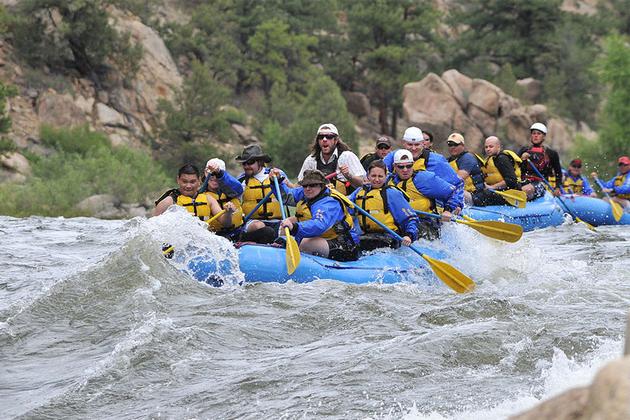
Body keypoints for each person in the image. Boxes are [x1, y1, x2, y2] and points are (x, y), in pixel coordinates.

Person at [271, 169, 360, 261]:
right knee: (287, 223)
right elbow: (286, 197)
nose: (308, 188)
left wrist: (294, 227)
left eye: (313, 185)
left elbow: (319, 225)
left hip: (346, 246)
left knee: (306, 243)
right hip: (323, 239)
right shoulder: (306, 192)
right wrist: (276, 182)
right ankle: (284, 248)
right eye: (305, 185)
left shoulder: (329, 203)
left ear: (321, 186)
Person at [383, 126, 464, 211]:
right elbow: (378, 173)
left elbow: (457, 184)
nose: (413, 148)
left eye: (417, 144)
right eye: (410, 144)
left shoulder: (437, 161)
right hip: (403, 204)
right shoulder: (394, 156)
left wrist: (454, 205)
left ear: (423, 143)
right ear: (403, 143)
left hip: (431, 207)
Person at [348, 160, 419, 251]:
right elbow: (344, 205)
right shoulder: (359, 192)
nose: (376, 179)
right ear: (368, 176)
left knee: (367, 245)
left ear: (386, 177)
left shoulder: (392, 193)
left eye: (380, 176)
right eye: (373, 176)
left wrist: (409, 235)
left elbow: (410, 218)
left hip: (390, 237)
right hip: (367, 235)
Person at [390, 150, 458, 239]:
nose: (405, 170)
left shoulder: (424, 179)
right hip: (402, 223)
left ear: (413, 164)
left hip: (426, 223)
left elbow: (453, 192)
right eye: (401, 167)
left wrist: (448, 210)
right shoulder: (388, 181)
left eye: (409, 166)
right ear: (394, 166)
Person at [236, 144, 288, 243]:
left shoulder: (277, 175)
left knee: (287, 229)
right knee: (261, 227)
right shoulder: (242, 180)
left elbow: (292, 194)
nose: (246, 166)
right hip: (252, 222)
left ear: (260, 162)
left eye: (250, 162)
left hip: (277, 221)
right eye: (244, 163)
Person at [298, 123, 366, 194]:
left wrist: (349, 176)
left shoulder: (347, 157)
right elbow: (300, 185)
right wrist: (287, 184)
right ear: (318, 141)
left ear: (336, 140)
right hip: (319, 203)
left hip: (345, 202)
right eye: (321, 137)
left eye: (329, 136)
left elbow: (364, 184)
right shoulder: (311, 160)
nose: (324, 139)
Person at [154, 164, 227, 227]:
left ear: (199, 181)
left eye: (192, 182)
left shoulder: (208, 199)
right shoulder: (168, 202)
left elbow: (226, 223)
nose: (188, 186)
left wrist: (229, 213)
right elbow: (153, 228)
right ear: (178, 180)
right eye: (184, 181)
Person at [201, 158, 246, 241]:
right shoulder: (200, 193)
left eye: (217, 174)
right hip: (215, 237)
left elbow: (239, 188)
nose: (214, 177)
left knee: (266, 232)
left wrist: (219, 173)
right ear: (205, 172)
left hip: (238, 233)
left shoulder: (232, 190)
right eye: (211, 174)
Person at [473, 136, 523, 206]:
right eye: (486, 147)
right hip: (498, 191)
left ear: (498, 147)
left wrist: (492, 187)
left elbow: (511, 180)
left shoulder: (502, 159)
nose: (488, 149)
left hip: (509, 193)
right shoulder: (490, 160)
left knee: (479, 197)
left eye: (491, 146)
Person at [518, 122, 563, 200]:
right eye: (533, 133)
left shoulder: (551, 153)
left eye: (539, 134)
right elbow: (515, 167)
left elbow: (558, 172)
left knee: (526, 190)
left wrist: (557, 188)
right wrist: (521, 159)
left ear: (544, 137)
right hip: (523, 181)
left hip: (541, 184)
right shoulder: (524, 150)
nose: (535, 136)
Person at [446, 132, 485, 204]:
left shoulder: (468, 158)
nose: (452, 147)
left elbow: (458, 179)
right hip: (461, 193)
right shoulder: (448, 161)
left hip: (475, 196)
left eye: (456, 144)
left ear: (463, 145)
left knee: (447, 191)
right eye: (450, 145)